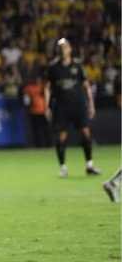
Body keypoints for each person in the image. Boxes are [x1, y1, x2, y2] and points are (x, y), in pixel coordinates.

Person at [44, 38, 100, 178]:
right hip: (61, 107)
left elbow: (86, 86)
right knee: (61, 137)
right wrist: (47, 106)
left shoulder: (77, 65)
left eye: (65, 47)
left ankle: (89, 165)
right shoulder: (53, 67)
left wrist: (91, 104)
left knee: (86, 133)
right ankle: (63, 168)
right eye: (60, 47)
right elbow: (47, 88)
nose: (63, 50)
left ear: (70, 49)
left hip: (78, 105)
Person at [22, 72, 50, 148]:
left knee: (45, 129)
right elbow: (25, 99)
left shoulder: (43, 87)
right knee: (36, 130)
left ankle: (48, 145)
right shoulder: (29, 88)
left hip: (43, 111)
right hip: (34, 111)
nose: (37, 80)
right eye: (36, 79)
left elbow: (48, 96)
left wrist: (48, 109)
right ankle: (39, 145)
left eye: (39, 79)